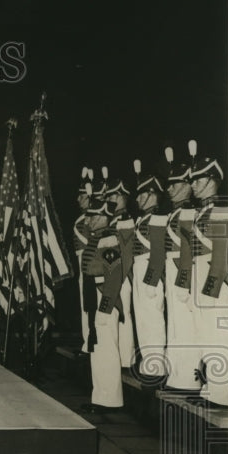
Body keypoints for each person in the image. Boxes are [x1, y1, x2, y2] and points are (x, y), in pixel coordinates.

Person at [187, 142, 228, 408]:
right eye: (192, 180)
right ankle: (210, 388)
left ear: (212, 180)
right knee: (205, 336)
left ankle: (223, 393)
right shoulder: (202, 211)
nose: (192, 185)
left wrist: (210, 288)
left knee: (219, 337)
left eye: (198, 179)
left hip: (215, 280)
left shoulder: (221, 210)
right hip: (201, 278)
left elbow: (220, 257)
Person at [155, 145, 202, 392]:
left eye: (175, 184)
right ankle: (176, 376)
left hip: (183, 271)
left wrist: (183, 281)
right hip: (171, 270)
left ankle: (188, 379)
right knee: (174, 324)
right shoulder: (175, 213)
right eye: (169, 184)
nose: (169, 189)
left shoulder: (188, 213)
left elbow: (186, 251)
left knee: (185, 325)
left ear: (187, 185)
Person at [80, 193, 124, 409]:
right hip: (93, 296)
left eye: (92, 216)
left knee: (107, 349)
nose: (88, 220)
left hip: (104, 297)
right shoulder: (96, 237)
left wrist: (105, 309)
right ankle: (100, 396)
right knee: (98, 349)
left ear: (103, 218)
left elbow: (114, 278)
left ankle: (110, 399)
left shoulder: (108, 239)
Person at [130, 159, 168, 381]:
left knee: (153, 320)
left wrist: (151, 282)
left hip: (149, 271)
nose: (137, 199)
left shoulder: (157, 218)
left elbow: (157, 252)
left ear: (151, 194)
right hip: (139, 267)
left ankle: (156, 367)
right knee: (142, 320)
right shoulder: (142, 218)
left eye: (141, 194)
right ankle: (147, 364)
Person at [101, 167, 136, 370]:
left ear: (123, 197)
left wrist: (121, 277)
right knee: (118, 315)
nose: (110, 199)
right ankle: (121, 357)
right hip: (113, 273)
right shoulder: (112, 219)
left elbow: (126, 253)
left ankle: (126, 358)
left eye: (113, 195)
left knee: (124, 315)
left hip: (122, 274)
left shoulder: (124, 220)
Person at [72, 166, 94, 354]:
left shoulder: (90, 219)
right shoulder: (83, 218)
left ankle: (90, 342)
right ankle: (87, 341)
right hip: (83, 261)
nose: (78, 200)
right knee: (84, 304)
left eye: (82, 196)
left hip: (90, 262)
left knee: (88, 304)